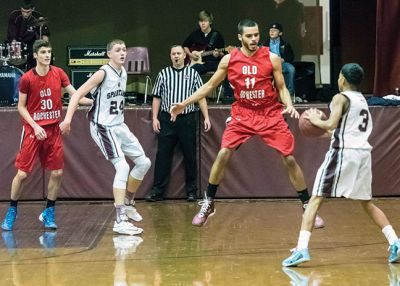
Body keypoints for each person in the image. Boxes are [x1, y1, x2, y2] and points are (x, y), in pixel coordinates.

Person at [170, 19, 324, 228]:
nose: (254, 39)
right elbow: (209, 86)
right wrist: (184, 104)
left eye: (256, 35)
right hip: (243, 112)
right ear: (240, 37)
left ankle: (307, 206)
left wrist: (288, 104)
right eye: (249, 36)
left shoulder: (272, 58)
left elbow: (282, 87)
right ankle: (208, 202)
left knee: (288, 158)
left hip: (269, 112)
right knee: (223, 153)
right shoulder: (229, 60)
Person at [282, 63, 400, 267]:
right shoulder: (362, 99)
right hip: (363, 154)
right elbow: (339, 130)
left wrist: (313, 119)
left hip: (343, 154)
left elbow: (331, 124)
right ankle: (395, 242)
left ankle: (302, 248)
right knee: (367, 203)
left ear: (343, 79)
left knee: (314, 200)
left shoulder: (340, 97)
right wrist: (324, 131)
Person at [59, 39, 151, 236]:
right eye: (118, 50)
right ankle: (120, 220)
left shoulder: (124, 73)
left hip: (119, 125)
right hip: (102, 127)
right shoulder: (103, 72)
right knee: (123, 166)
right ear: (109, 54)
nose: (122, 52)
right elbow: (75, 95)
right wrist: (67, 120)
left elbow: (101, 98)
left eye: (125, 49)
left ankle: (127, 202)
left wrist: (95, 101)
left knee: (144, 163)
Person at [0, 40, 87, 231]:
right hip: (33, 130)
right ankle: (12, 210)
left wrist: (94, 101)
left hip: (53, 130)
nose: (47, 55)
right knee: (22, 174)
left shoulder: (59, 73)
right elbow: (21, 107)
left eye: (49, 51)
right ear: (35, 55)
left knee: (57, 172)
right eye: (43, 52)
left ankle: (49, 212)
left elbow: (75, 94)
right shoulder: (27, 79)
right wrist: (34, 125)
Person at [145, 45, 211, 202]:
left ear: (184, 56)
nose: (176, 56)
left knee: (190, 156)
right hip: (167, 119)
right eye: (173, 53)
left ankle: (192, 191)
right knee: (163, 156)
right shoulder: (163, 74)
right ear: (170, 56)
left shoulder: (193, 74)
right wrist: (155, 118)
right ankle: (157, 192)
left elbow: (200, 97)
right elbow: (157, 97)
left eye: (179, 53)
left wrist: (206, 117)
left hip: (187, 118)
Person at [7, 0, 50, 70]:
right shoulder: (14, 16)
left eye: (28, 12)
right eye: (23, 11)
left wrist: (45, 49)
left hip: (31, 45)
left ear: (33, 9)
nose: (25, 14)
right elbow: (12, 35)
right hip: (17, 43)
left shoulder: (38, 17)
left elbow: (45, 36)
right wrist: (15, 48)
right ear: (20, 8)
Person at [183, 10, 225, 75]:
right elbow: (185, 46)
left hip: (212, 63)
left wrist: (218, 54)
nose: (203, 23)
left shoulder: (217, 35)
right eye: (201, 21)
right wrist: (191, 55)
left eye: (205, 21)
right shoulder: (195, 34)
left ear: (210, 22)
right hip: (197, 63)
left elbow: (223, 54)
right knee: (189, 70)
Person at [264, 22, 296, 97]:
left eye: (274, 30)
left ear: (280, 33)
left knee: (291, 69)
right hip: (270, 64)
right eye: (270, 30)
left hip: (282, 64)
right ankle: (267, 95)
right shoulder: (265, 44)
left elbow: (291, 56)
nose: (272, 32)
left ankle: (289, 94)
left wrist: (283, 59)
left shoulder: (285, 44)